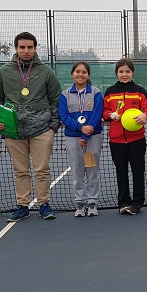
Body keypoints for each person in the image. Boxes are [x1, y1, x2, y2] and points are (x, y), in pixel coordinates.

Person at [0, 32, 61, 222]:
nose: (26, 51)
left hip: (42, 130)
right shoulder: (4, 72)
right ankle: (22, 205)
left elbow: (55, 100)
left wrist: (53, 126)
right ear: (15, 48)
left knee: (42, 169)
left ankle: (44, 204)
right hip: (13, 131)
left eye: (29, 47)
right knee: (20, 171)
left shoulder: (46, 72)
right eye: (22, 47)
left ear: (35, 48)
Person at [103, 58, 147, 215]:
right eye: (121, 71)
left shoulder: (140, 91)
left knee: (138, 171)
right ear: (116, 73)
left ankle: (137, 202)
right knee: (121, 171)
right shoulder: (110, 92)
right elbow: (104, 113)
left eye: (127, 71)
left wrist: (145, 116)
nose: (124, 74)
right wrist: (110, 114)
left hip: (137, 139)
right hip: (116, 140)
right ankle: (123, 202)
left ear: (132, 73)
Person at [59, 62, 103, 217]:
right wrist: (80, 129)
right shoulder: (64, 94)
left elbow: (97, 114)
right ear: (73, 74)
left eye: (84, 72)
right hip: (73, 138)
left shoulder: (96, 92)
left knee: (92, 170)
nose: (80, 74)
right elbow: (63, 116)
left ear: (88, 75)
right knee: (77, 172)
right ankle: (80, 203)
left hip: (93, 137)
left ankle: (92, 203)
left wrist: (86, 134)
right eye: (77, 71)